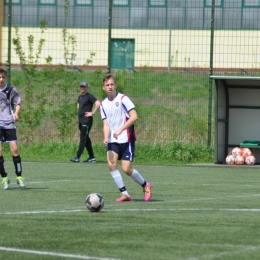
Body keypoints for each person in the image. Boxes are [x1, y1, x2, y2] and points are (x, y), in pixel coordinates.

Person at [100, 74, 152, 202]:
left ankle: (145, 185)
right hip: (113, 140)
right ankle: (125, 194)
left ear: (116, 85)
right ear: (103, 88)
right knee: (111, 165)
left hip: (126, 139)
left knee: (126, 169)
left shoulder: (123, 99)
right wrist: (106, 137)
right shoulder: (103, 104)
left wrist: (120, 129)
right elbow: (106, 124)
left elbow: (134, 116)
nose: (110, 87)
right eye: (107, 85)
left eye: (112, 84)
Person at [0, 67, 25, 190]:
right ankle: (4, 178)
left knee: (14, 150)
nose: (1, 79)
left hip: (9, 123)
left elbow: (18, 103)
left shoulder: (11, 90)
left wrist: (16, 113)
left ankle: (19, 176)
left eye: (3, 77)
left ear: (6, 78)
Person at [70, 81, 100, 163]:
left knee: (83, 138)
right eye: (81, 87)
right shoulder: (80, 97)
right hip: (81, 121)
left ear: (87, 87)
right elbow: (79, 106)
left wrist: (92, 113)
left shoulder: (89, 96)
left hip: (86, 121)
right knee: (86, 139)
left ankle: (77, 157)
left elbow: (98, 103)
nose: (82, 88)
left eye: (84, 87)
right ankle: (92, 157)